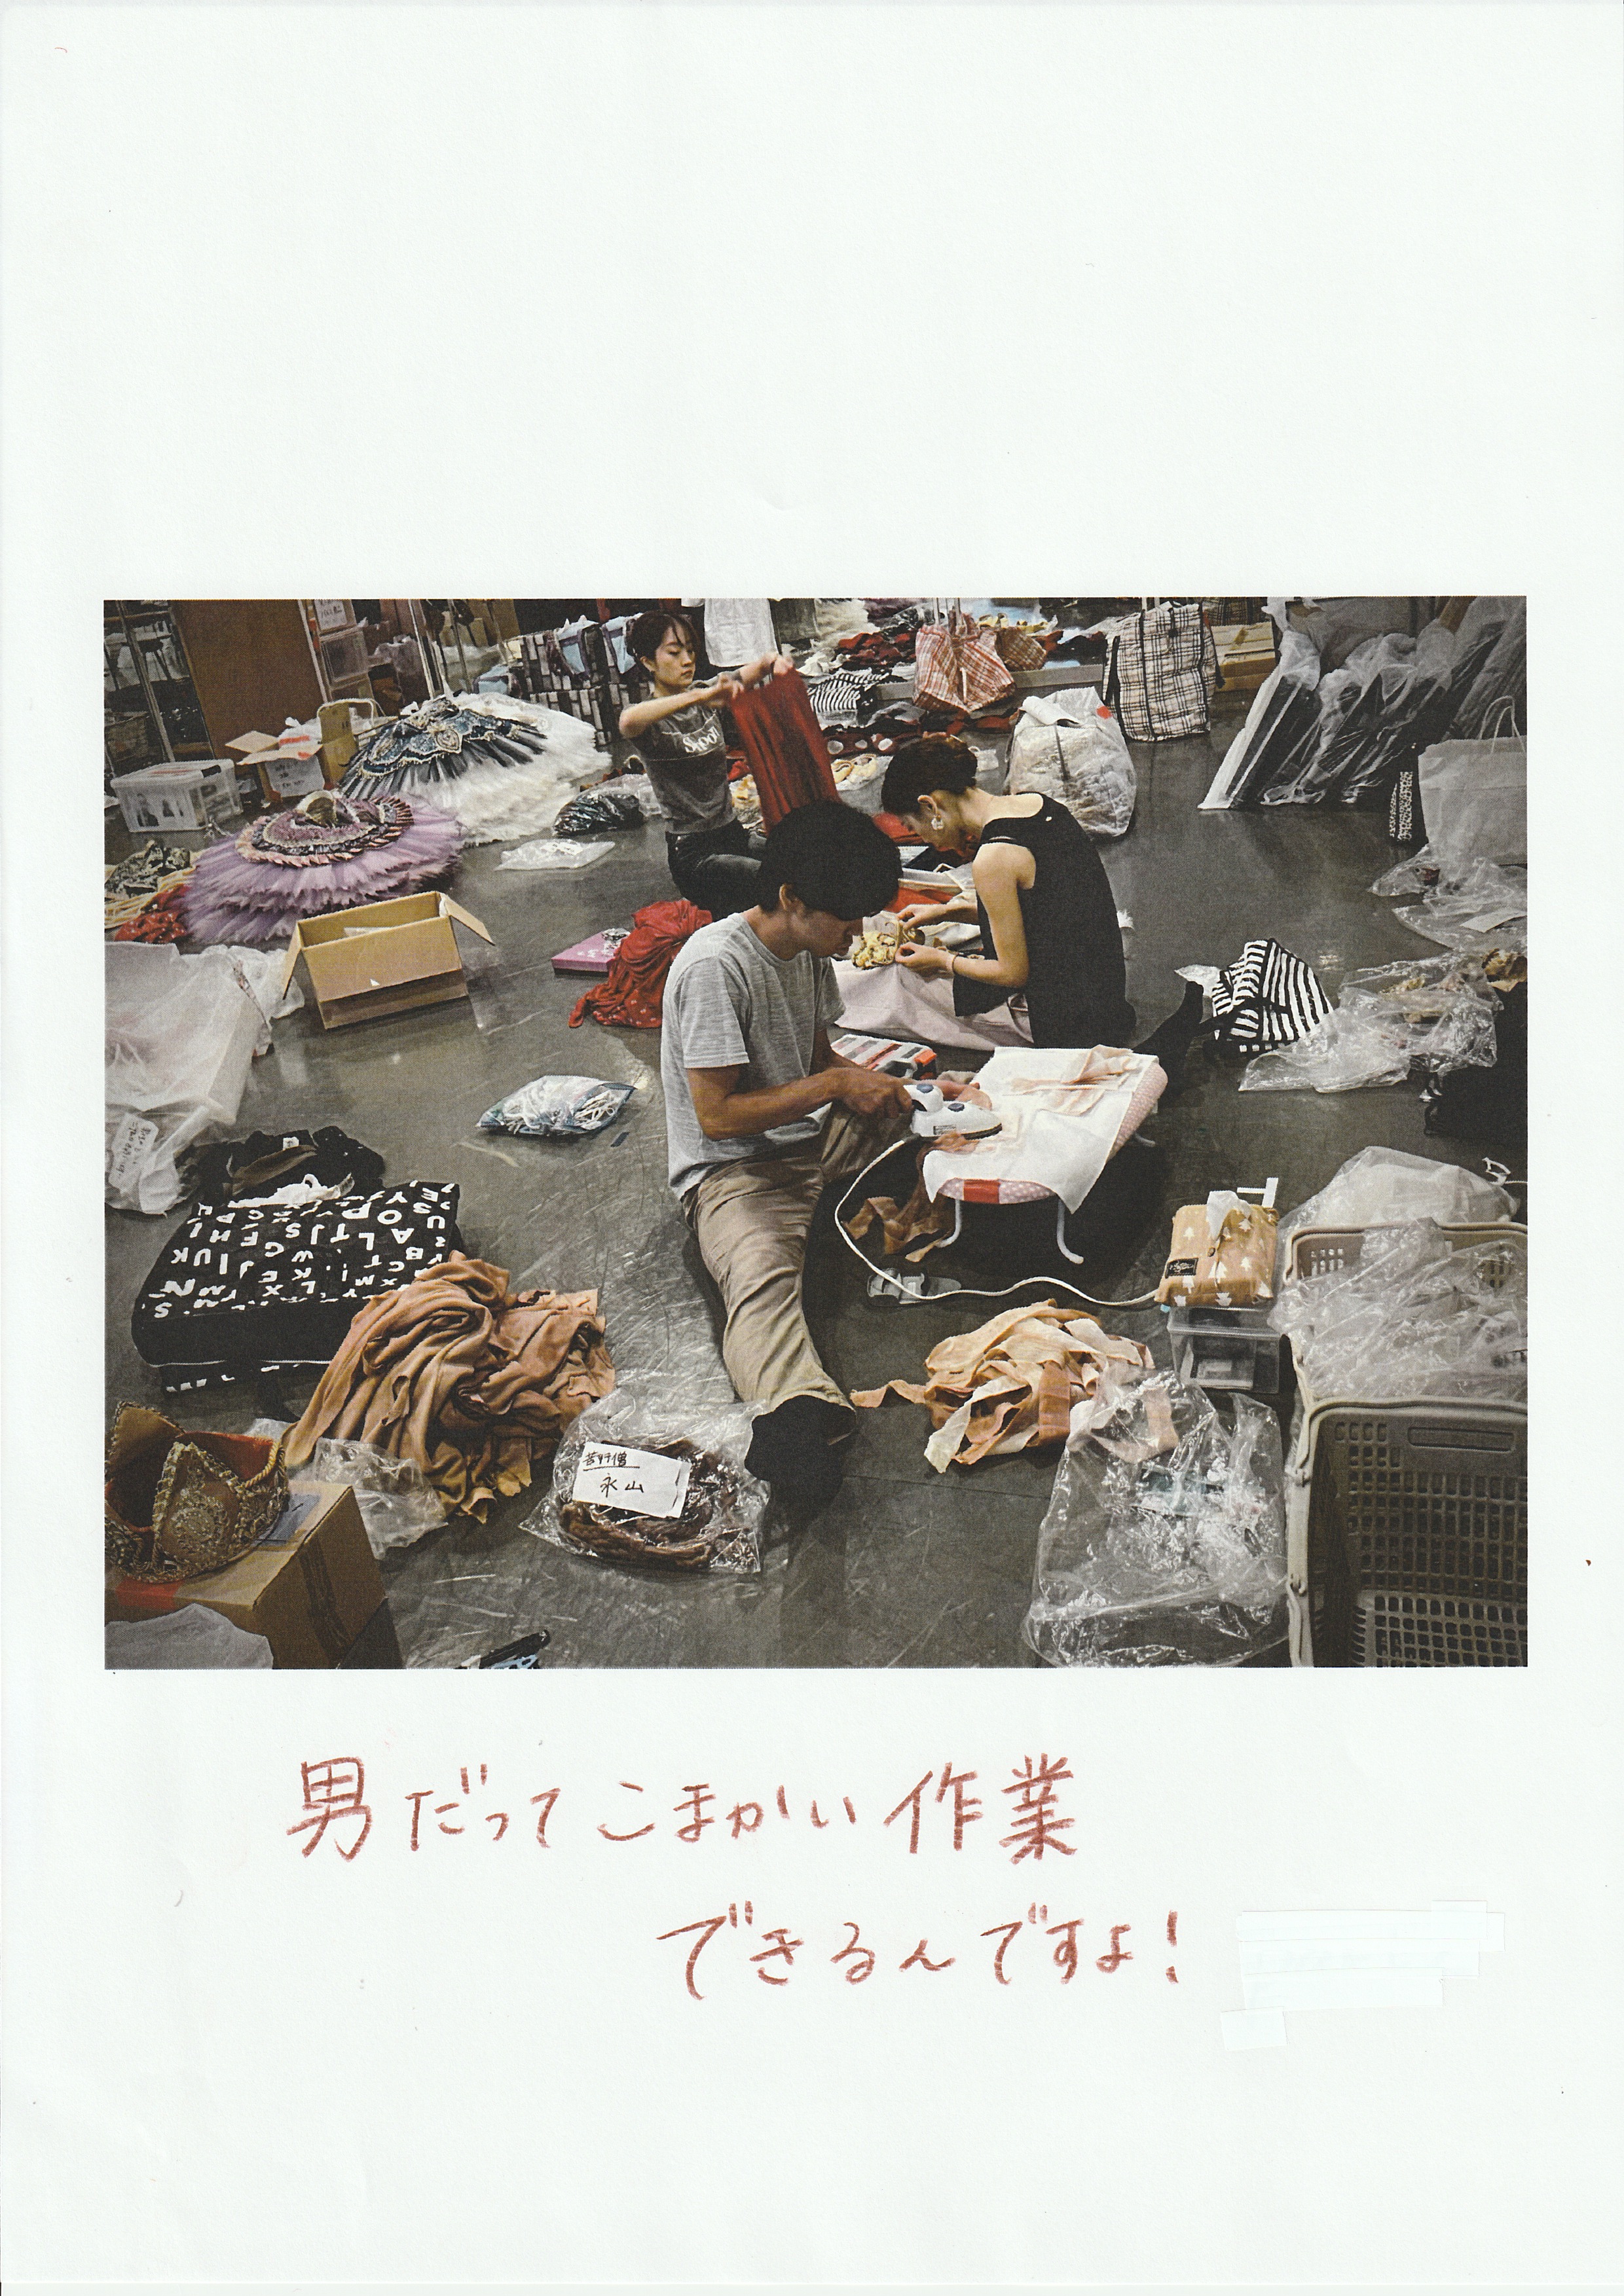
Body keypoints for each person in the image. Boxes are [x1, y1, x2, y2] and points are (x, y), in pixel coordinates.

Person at [661, 799, 955, 1511]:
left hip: (811, 1138)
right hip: (736, 1170)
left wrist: (898, 1090)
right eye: (845, 921)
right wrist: (834, 1085)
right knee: (761, 1281)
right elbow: (716, 1117)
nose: (855, 936)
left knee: (938, 1116)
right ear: (790, 897)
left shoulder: (805, 950)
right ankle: (793, 1418)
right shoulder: (714, 967)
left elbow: (820, 1059)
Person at [879, 734, 1205, 1076]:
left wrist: (944, 961)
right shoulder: (1037, 804)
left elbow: (1011, 972)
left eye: (912, 826)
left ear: (930, 807)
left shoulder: (994, 857)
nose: (922, 838)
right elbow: (1046, 909)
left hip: (1064, 1023)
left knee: (898, 982)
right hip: (1105, 1002)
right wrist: (947, 911)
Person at [618, 608, 793, 917]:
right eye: (675, 653)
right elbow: (627, 721)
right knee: (779, 886)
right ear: (648, 662)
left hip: (733, 834)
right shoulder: (656, 719)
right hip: (695, 853)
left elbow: (757, 667)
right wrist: (700, 697)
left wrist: (773, 661)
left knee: (802, 861)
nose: (687, 660)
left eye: (690, 651)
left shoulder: (704, 693)